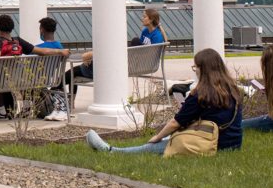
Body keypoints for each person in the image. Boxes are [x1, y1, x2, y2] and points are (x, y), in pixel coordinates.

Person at [86, 47, 243, 154]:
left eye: (195, 68)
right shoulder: (233, 90)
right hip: (233, 144)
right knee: (173, 137)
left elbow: (176, 123)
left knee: (163, 143)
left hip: (212, 143)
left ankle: (112, 151)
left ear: (203, 69)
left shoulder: (201, 94)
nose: (195, 71)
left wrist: (157, 137)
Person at [71, 7, 165, 92]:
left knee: (134, 41)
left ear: (151, 19)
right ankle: (93, 61)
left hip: (144, 63)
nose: (142, 18)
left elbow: (152, 53)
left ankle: (93, 61)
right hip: (136, 61)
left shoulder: (157, 36)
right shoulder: (145, 31)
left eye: (144, 17)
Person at [36, 16, 70, 121]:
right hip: (50, 79)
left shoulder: (38, 48)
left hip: (36, 81)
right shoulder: (59, 46)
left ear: (42, 29)